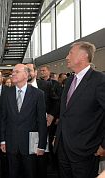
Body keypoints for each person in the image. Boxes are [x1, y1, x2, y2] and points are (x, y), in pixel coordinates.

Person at [54, 41, 105, 178]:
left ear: (83, 56)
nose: (67, 57)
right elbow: (65, 113)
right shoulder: (70, 80)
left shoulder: (99, 80)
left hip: (86, 150)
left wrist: (104, 145)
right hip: (63, 148)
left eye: (70, 53)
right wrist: (58, 138)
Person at [0, 64, 47, 178]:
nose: (13, 74)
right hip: (11, 142)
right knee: (12, 173)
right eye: (13, 72)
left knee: (30, 173)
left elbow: (41, 121)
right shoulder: (6, 94)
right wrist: (2, 141)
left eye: (17, 72)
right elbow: (3, 118)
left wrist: (41, 145)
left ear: (26, 74)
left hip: (31, 143)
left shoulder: (38, 94)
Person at [26, 63, 60, 177]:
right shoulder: (18, 86)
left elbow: (56, 101)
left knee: (41, 159)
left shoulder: (46, 85)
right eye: (25, 70)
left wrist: (51, 115)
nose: (27, 73)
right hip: (25, 130)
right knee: (27, 160)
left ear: (35, 72)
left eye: (30, 70)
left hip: (42, 128)